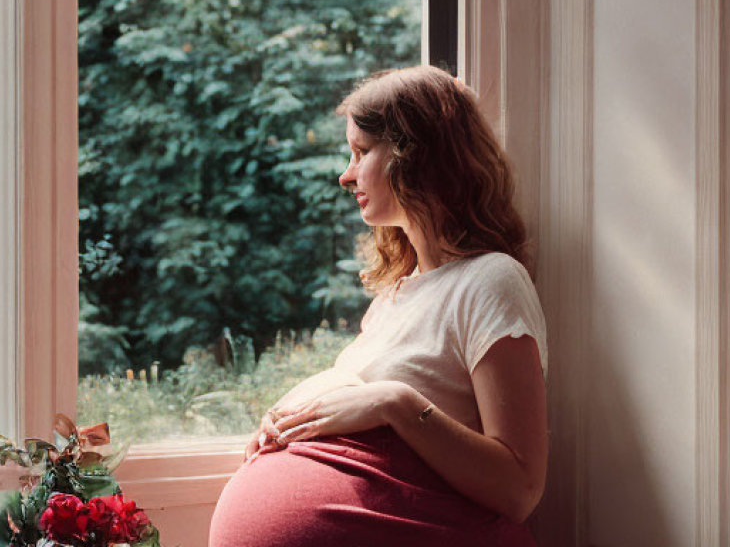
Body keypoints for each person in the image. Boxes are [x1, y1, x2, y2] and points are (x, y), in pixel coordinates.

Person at [208, 65, 548, 547]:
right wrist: (287, 422)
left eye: (361, 152)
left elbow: (521, 489)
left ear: (416, 156)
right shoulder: (395, 297)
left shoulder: (491, 280)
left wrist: (395, 403)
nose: (346, 176)